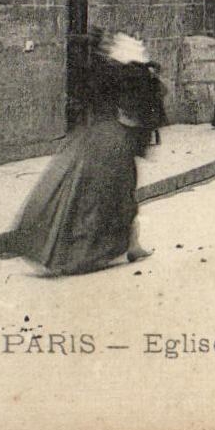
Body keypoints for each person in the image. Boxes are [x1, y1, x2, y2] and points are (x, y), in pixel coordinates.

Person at [13, 32, 160, 276]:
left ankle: (65, 250)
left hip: (93, 137)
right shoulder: (134, 78)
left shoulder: (105, 74)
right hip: (116, 141)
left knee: (80, 194)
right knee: (119, 196)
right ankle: (116, 248)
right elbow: (140, 117)